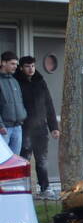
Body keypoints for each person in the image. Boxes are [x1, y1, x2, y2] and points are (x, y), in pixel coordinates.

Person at [15, 57, 59, 198]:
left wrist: (54, 127)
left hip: (41, 128)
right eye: (28, 66)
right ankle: (22, 189)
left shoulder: (40, 81)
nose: (31, 69)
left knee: (42, 160)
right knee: (23, 159)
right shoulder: (16, 82)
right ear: (21, 67)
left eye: (33, 66)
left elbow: (49, 104)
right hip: (24, 127)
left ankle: (45, 188)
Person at [0, 51, 26, 155]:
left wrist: (23, 115)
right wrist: (1, 125)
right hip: (4, 129)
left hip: (17, 127)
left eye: (16, 64)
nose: (15, 66)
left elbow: (20, 101)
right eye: (12, 63)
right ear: (3, 63)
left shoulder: (15, 81)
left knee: (14, 163)